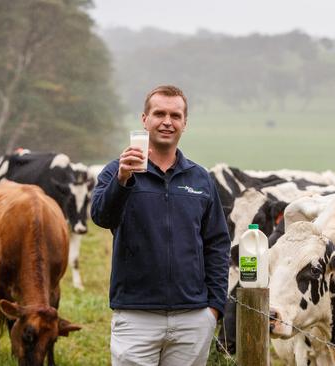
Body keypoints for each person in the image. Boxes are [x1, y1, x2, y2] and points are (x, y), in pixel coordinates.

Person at [91, 85, 231, 366]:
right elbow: (101, 217)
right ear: (145, 119)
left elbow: (217, 243)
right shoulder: (115, 171)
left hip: (193, 318)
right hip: (136, 316)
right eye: (159, 113)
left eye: (175, 115)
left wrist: (214, 308)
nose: (168, 121)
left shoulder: (200, 179)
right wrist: (122, 180)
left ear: (184, 123)